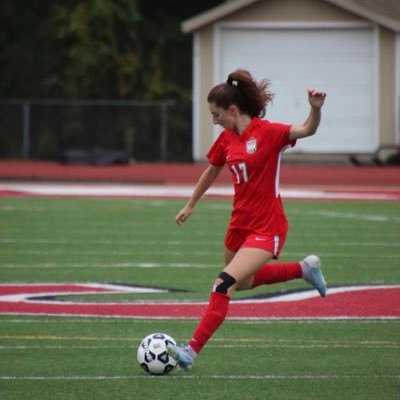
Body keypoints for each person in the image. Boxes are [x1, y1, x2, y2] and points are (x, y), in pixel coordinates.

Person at [168, 69, 327, 371]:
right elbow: (212, 170)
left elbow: (307, 129)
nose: (213, 120)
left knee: (223, 284)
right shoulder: (227, 138)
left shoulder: (268, 133)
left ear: (232, 110)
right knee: (243, 283)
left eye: (216, 115)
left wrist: (314, 109)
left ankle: (191, 350)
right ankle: (303, 269)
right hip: (238, 225)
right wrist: (191, 203)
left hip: (267, 227)